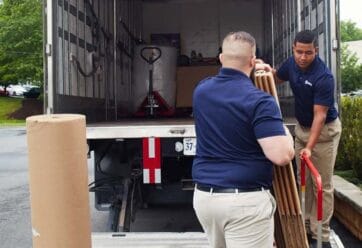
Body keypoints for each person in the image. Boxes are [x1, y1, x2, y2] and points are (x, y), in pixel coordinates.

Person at [192, 31, 295, 248]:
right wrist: (284, 131)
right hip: (244, 203)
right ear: (252, 60)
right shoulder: (260, 101)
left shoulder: (201, 91)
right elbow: (281, 156)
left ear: (221, 58)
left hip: (205, 199)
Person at [273, 30, 342, 248]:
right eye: (299, 52)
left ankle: (320, 232)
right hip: (302, 129)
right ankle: (303, 223)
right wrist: (266, 70)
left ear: (316, 51)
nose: (303, 57)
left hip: (322, 133)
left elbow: (320, 116)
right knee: (303, 179)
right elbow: (276, 76)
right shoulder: (291, 64)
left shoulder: (323, 77)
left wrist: (309, 148)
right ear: (293, 49)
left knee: (322, 182)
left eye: (308, 53)